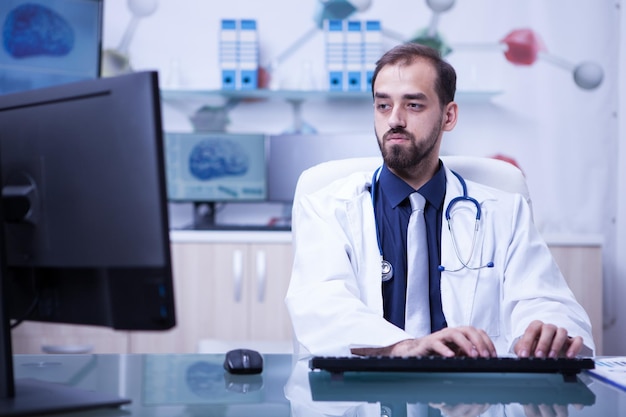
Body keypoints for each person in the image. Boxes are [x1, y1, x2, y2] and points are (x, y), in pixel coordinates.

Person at [284, 42, 594, 359]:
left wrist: (546, 333)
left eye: (413, 105)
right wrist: (405, 346)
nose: (394, 120)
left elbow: (544, 301)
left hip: (472, 399)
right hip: (367, 394)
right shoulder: (327, 207)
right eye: (383, 106)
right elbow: (321, 304)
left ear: (448, 116)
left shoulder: (503, 212)